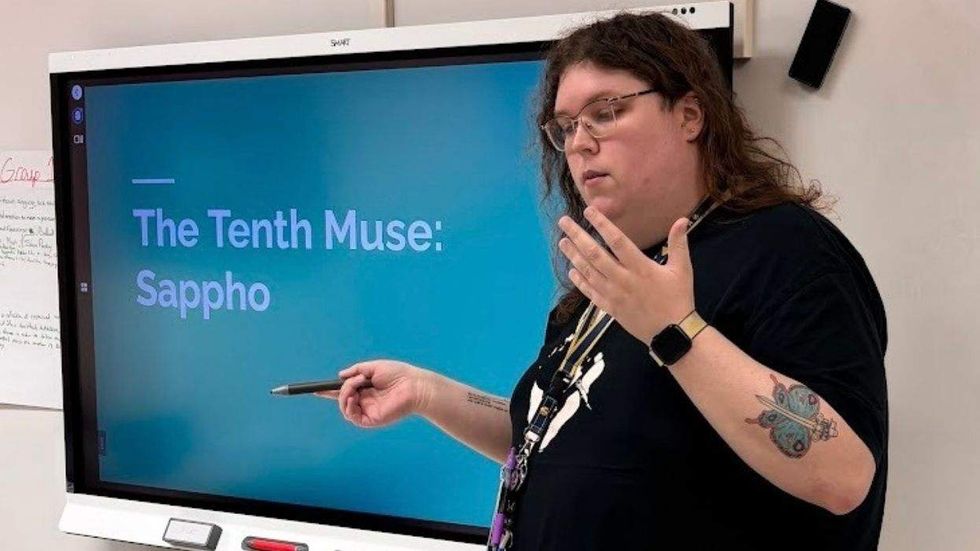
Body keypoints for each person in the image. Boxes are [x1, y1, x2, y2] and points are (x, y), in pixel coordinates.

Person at [318, 11, 888, 551]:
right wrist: (427, 393)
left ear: (690, 115)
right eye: (566, 126)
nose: (579, 142)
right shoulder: (615, 270)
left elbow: (843, 476)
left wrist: (674, 330)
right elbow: (552, 438)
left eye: (606, 112)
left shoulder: (786, 248)